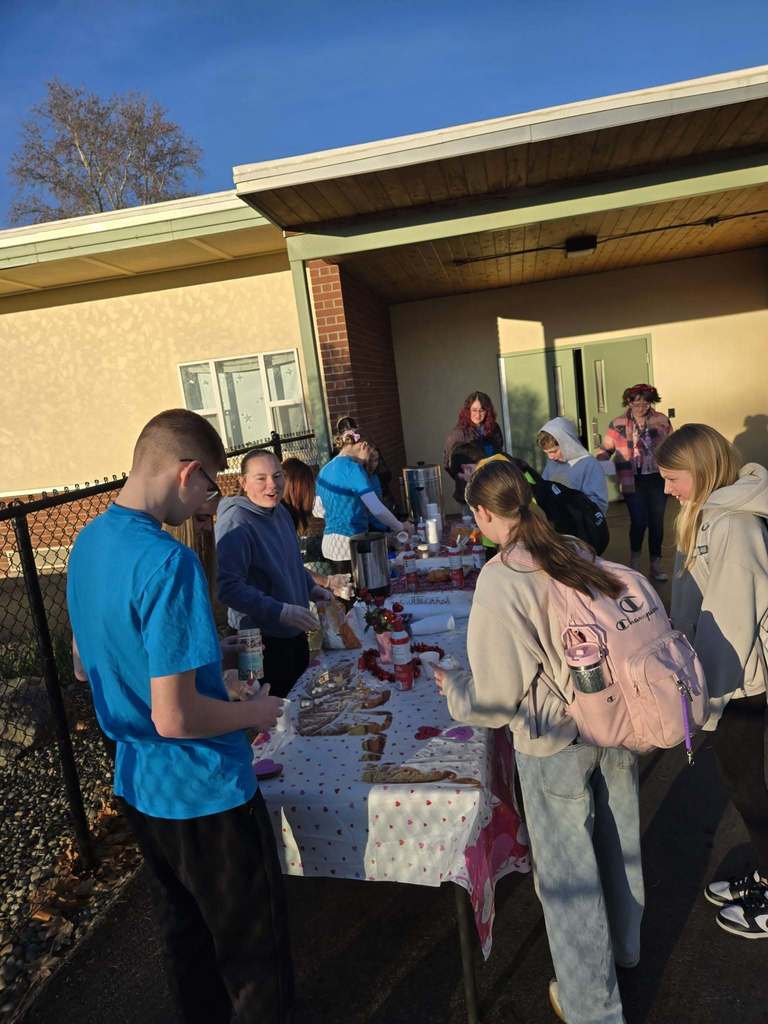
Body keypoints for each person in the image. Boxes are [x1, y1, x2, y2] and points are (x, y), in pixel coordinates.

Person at [66, 409, 292, 1024]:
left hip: (140, 786)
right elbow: (175, 715)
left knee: (186, 943)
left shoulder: (86, 545)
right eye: (209, 485)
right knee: (252, 957)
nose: (205, 503)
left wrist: (203, 659)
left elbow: (90, 665)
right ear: (187, 471)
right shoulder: (170, 562)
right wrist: (255, 710)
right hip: (204, 792)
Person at [434, 458, 641, 1024]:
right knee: (619, 852)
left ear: (481, 514)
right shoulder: (572, 545)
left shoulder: (501, 578)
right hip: (614, 719)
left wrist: (454, 689)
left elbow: (497, 697)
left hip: (555, 741)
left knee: (570, 881)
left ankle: (592, 1007)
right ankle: (625, 951)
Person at [657, 424, 768, 939]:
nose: (666, 489)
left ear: (701, 470)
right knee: (742, 782)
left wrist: (709, 699)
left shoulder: (734, 526)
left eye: (672, 477)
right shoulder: (702, 515)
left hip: (744, 683)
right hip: (729, 678)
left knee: (750, 786)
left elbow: (733, 621)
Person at [216, 449, 345, 699]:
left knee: (299, 704)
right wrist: (280, 610)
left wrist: (311, 588)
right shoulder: (236, 522)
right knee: (268, 715)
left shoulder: (281, 512)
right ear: (243, 482)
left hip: (293, 633)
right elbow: (228, 588)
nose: (271, 485)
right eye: (260, 478)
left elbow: (291, 565)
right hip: (256, 639)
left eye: (277, 476)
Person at [596, 383, 672, 581]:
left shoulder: (661, 420)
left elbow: (673, 446)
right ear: (628, 401)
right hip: (631, 479)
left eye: (645, 401)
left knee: (657, 522)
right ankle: (635, 564)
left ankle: (655, 565)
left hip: (657, 477)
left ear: (651, 401)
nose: (641, 405)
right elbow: (605, 449)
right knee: (639, 521)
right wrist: (600, 462)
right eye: (636, 401)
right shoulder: (618, 423)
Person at [315, 428, 411, 569]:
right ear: (363, 445)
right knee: (367, 589)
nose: (368, 459)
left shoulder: (325, 469)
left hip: (329, 545)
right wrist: (400, 527)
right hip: (351, 543)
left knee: (342, 590)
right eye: (369, 452)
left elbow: (317, 510)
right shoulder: (354, 468)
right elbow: (376, 509)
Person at [538, 416, 609, 515]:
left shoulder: (589, 464)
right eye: (547, 453)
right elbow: (544, 487)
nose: (551, 457)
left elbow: (599, 503)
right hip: (556, 522)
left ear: (567, 444)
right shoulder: (553, 463)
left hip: (580, 524)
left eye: (554, 451)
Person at [281, 456, 331, 577]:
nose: (312, 493)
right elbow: (290, 568)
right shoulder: (282, 518)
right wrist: (327, 581)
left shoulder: (284, 514)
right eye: (310, 487)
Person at [443, 391, 504, 487]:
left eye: (482, 410)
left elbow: (499, 451)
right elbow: (448, 464)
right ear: (468, 411)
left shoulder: (494, 429)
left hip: (494, 483)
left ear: (488, 411)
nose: (478, 414)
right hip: (471, 487)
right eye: (474, 410)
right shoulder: (459, 434)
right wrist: (465, 480)